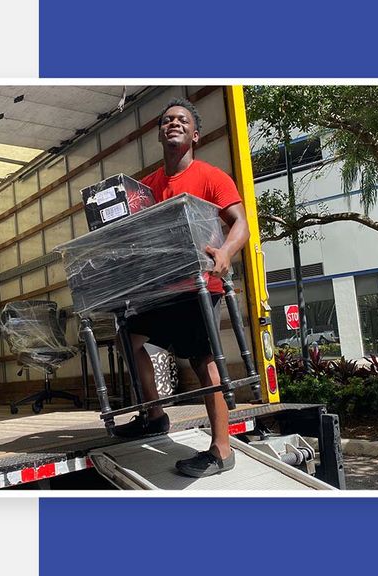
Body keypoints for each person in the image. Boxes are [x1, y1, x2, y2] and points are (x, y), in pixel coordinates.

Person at [113, 97, 251, 478]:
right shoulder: (147, 187)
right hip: (163, 287)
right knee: (129, 335)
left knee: (203, 358)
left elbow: (241, 223)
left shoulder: (211, 176)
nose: (173, 123)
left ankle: (222, 450)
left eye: (182, 120)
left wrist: (225, 252)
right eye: (167, 120)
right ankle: (155, 416)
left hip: (201, 285)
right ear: (160, 133)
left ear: (195, 134)